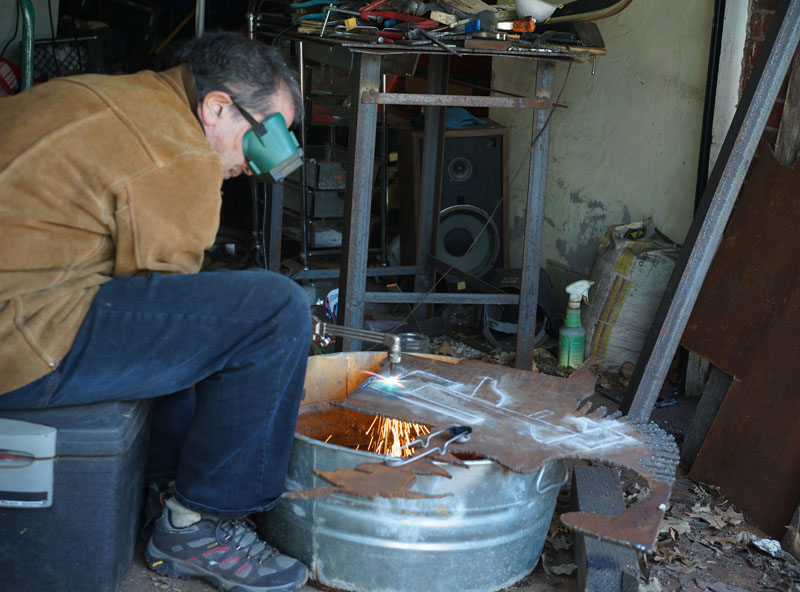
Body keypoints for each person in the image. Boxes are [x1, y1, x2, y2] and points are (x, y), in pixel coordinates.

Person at [0, 31, 311, 592]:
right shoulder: (180, 154)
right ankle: (200, 524)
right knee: (273, 312)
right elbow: (165, 305)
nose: (260, 161)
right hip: (19, 342)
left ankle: (156, 485)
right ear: (216, 107)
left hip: (23, 306)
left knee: (207, 312)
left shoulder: (97, 95)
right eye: (268, 134)